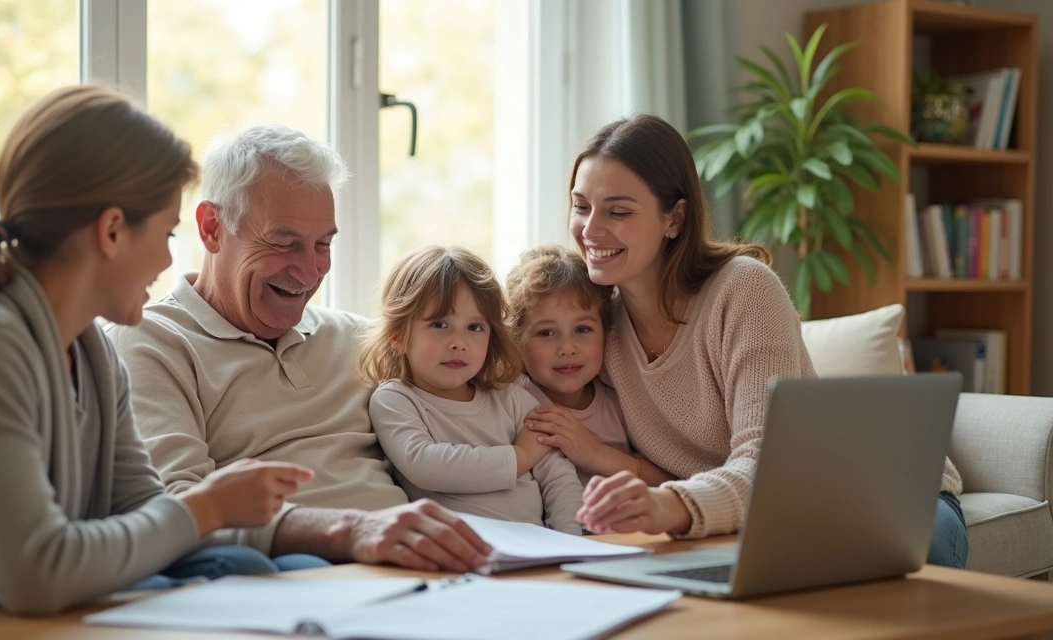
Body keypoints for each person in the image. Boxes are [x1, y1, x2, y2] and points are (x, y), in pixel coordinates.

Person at [0, 86, 333, 626]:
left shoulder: (92, 351)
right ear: (112, 230)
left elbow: (146, 512)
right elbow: (34, 573)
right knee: (242, 572)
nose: (170, 258)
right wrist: (207, 506)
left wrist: (249, 516)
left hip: (16, 617)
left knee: (265, 566)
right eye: (167, 232)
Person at [560, 114, 968, 568]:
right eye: (581, 207)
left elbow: (767, 465)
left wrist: (667, 505)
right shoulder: (594, 327)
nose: (591, 230)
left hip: (891, 494)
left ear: (674, 217)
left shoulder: (743, 290)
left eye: (618, 211)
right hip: (760, 515)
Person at [110, 125, 492, 574]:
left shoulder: (357, 339)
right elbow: (173, 511)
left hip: (421, 565)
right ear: (212, 228)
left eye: (324, 244)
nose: (310, 271)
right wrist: (352, 530)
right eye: (285, 242)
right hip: (286, 579)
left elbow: (482, 407)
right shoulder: (152, 341)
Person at [359, 245, 584, 534]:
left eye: (475, 327)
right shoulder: (396, 399)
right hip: (458, 551)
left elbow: (559, 478)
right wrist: (520, 457)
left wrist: (572, 540)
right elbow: (426, 465)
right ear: (398, 337)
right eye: (440, 324)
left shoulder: (513, 399)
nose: (458, 342)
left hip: (539, 547)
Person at [505, 244, 672, 489]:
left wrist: (592, 453)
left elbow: (671, 482)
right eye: (547, 332)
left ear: (607, 333)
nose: (567, 347)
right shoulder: (512, 400)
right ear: (517, 340)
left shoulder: (621, 402)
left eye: (582, 329)